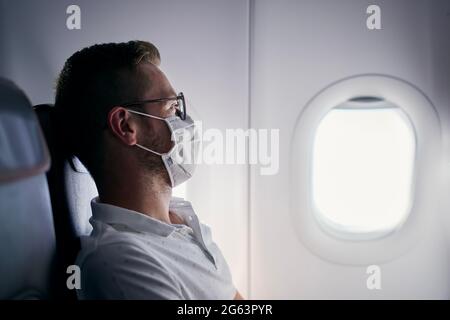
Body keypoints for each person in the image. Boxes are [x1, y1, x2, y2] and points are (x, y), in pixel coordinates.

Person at [55, 40, 243, 300]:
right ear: (125, 125)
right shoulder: (120, 262)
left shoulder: (182, 218)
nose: (183, 123)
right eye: (171, 107)